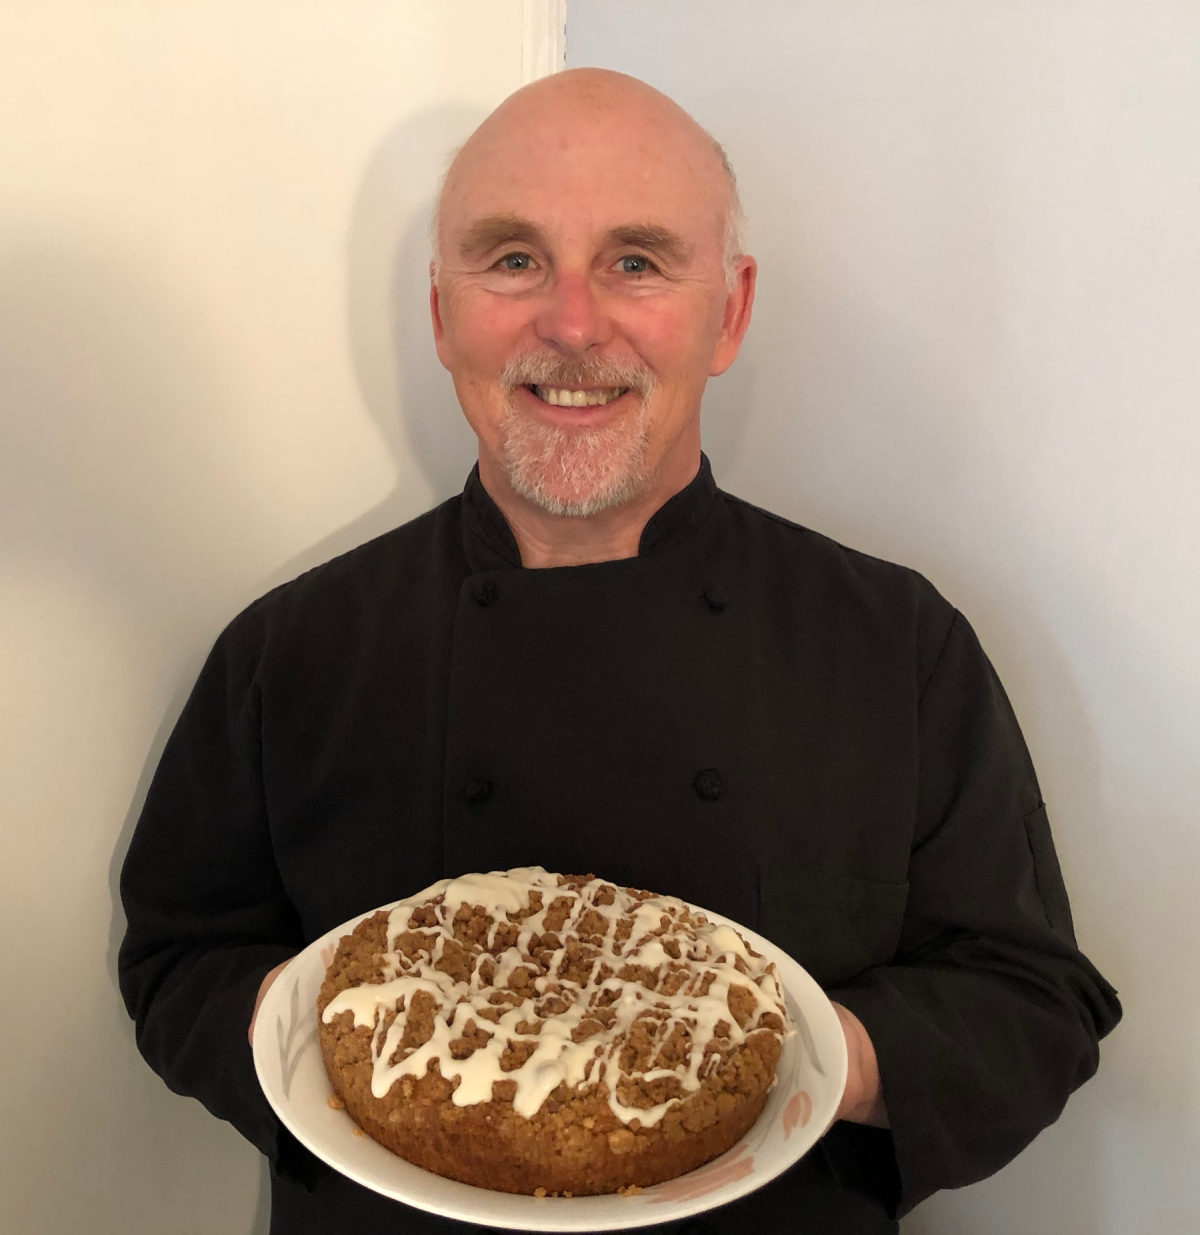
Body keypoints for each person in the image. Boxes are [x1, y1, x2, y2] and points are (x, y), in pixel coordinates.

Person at [118, 68, 1120, 1234]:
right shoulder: (290, 649)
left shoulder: (898, 644)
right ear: (442, 312)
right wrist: (324, 1039)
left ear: (730, 312)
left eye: (636, 261)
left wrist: (816, 1058)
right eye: (513, 258)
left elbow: (1032, 1004)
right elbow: (179, 955)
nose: (574, 324)